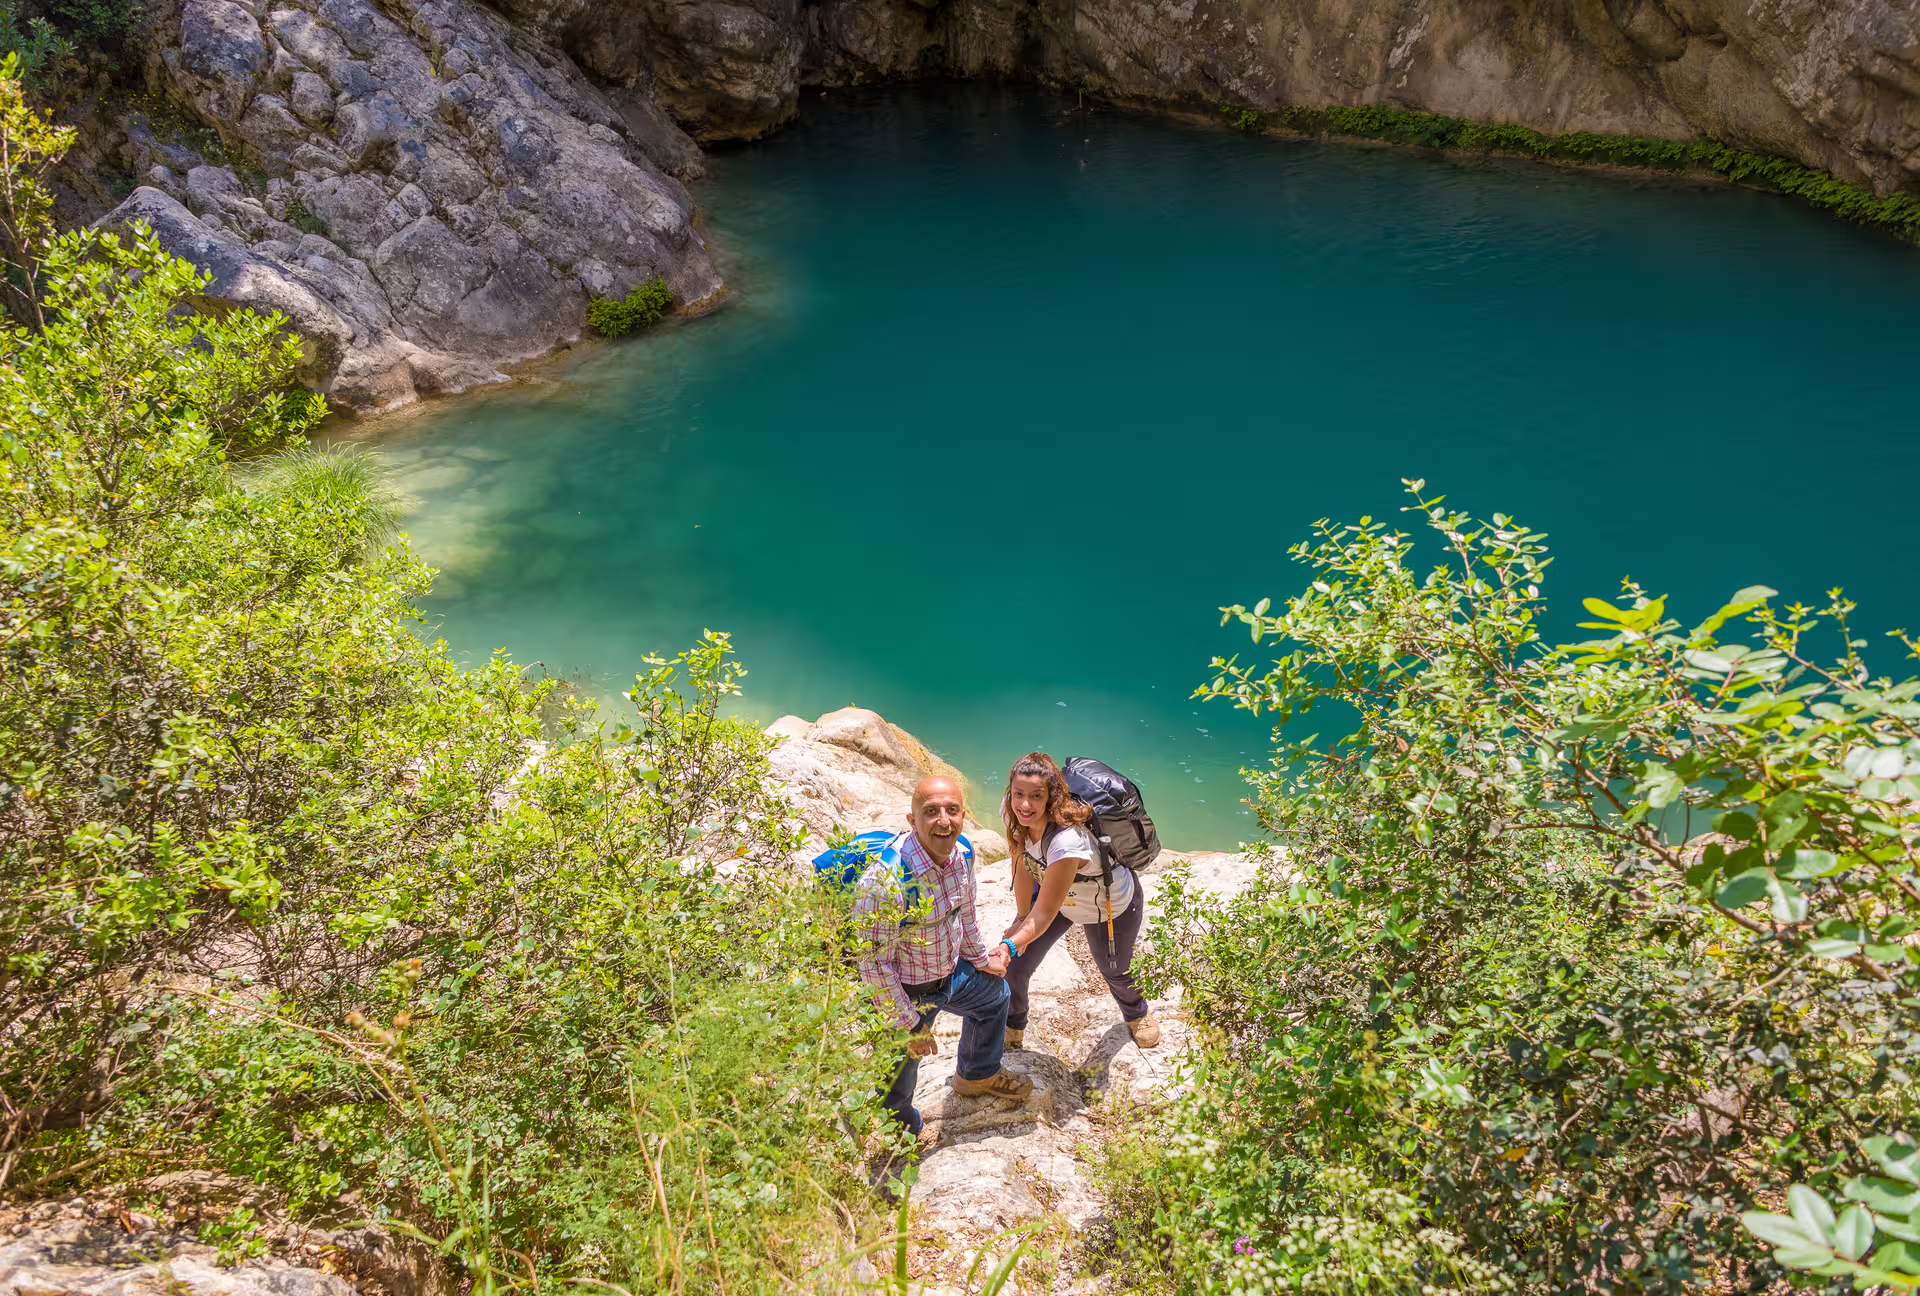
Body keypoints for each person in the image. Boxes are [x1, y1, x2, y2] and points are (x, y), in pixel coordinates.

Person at [856, 774, 1033, 1142]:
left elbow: (964, 913)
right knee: (899, 1076)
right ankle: (901, 1135)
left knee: (995, 997)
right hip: (907, 990)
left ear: (963, 815)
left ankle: (977, 1074)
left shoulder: (964, 853)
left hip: (950, 972)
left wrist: (981, 959)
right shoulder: (887, 881)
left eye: (952, 810)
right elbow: (874, 963)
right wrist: (909, 1024)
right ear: (912, 820)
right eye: (931, 811)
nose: (944, 820)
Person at [995, 753, 1160, 1050]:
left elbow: (1043, 914)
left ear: (1051, 798)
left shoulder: (1067, 841)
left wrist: (1011, 942)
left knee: (1114, 969)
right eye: (1018, 794)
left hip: (1110, 903)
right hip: (1059, 896)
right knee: (1016, 967)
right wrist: (1020, 918)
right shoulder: (1014, 815)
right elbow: (1021, 864)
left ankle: (1137, 1013)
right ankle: (1013, 1024)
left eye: (1036, 796)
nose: (1024, 804)